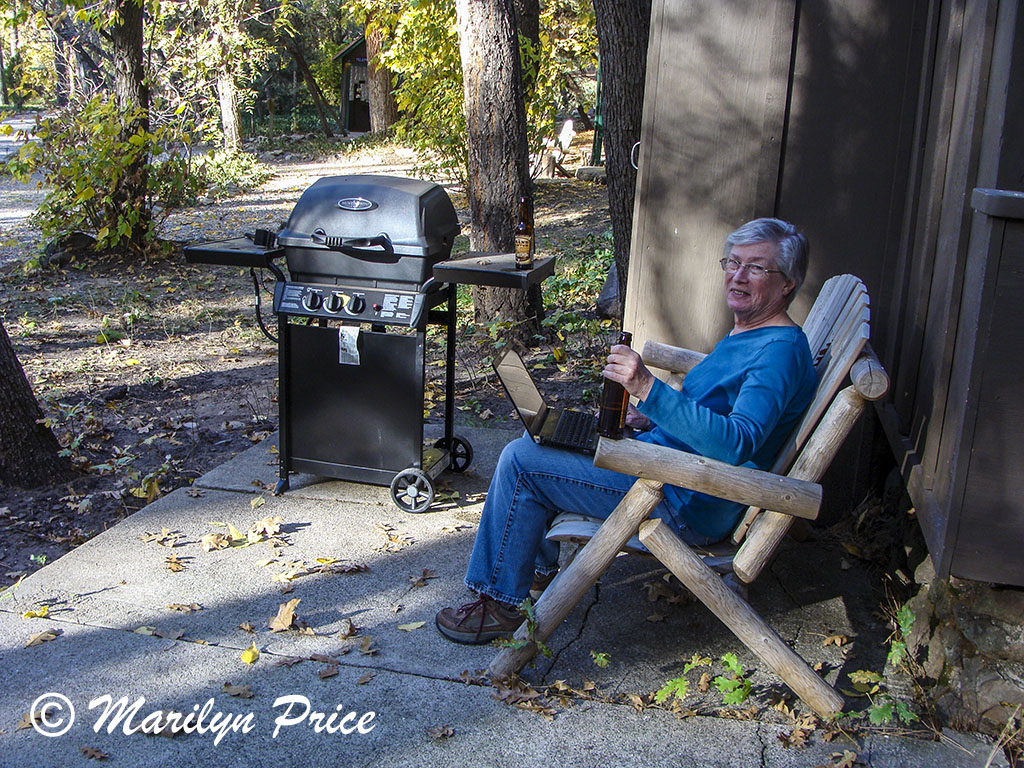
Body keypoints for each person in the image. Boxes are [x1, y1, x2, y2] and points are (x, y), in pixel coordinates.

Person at [435, 218, 817, 644]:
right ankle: (531, 573)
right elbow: (717, 410)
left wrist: (647, 388)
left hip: (681, 498)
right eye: (733, 262)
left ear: (787, 284)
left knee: (522, 462)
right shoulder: (751, 330)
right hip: (664, 465)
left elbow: (737, 442)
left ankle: (500, 604)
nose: (738, 276)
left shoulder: (778, 353)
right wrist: (652, 418)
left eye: (757, 268)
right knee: (540, 438)